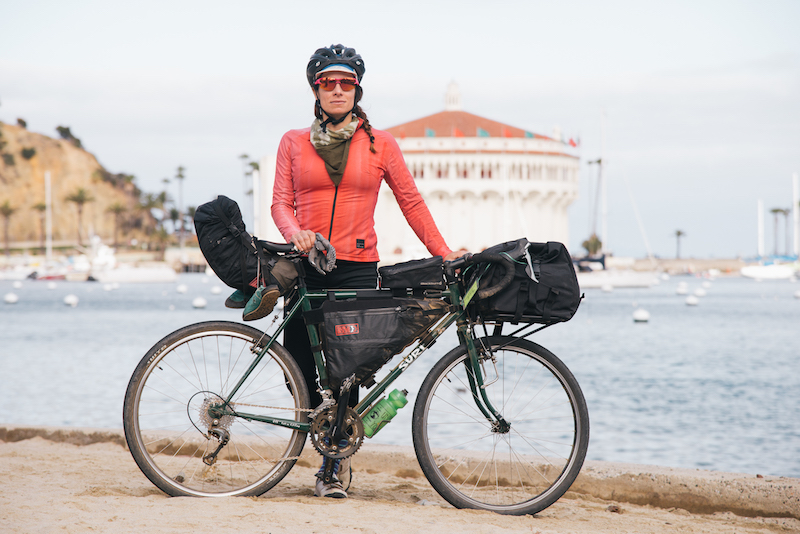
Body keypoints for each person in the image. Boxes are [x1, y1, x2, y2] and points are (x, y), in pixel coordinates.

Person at [271, 44, 466, 499]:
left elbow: (411, 202)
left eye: (345, 83)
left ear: (357, 90)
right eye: (327, 82)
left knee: (349, 369)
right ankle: (313, 425)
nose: (336, 90)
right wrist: (296, 232)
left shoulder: (381, 145)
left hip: (357, 268)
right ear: (316, 90)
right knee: (296, 363)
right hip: (307, 265)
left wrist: (444, 253)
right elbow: (281, 202)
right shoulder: (293, 142)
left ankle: (333, 464)